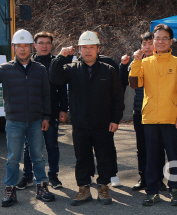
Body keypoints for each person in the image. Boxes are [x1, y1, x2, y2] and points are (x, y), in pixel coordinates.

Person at [50, 31, 124, 206]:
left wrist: (115, 119)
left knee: (104, 157)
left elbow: (117, 98)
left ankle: (104, 187)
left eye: (92, 47)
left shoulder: (109, 70)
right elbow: (54, 77)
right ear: (79, 50)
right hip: (80, 124)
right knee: (82, 158)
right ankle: (83, 189)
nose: (88, 51)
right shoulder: (71, 69)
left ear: (98, 49)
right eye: (84, 48)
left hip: (103, 124)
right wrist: (61, 56)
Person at [129, 24, 177, 206]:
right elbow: (134, 84)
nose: (161, 41)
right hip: (149, 117)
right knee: (152, 156)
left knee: (173, 155)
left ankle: (174, 189)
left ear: (171, 41)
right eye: (158, 38)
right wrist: (136, 61)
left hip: (172, 117)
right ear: (152, 41)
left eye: (165, 38)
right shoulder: (145, 62)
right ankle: (152, 190)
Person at [1, 29, 55, 207]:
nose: (22, 50)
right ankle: (10, 189)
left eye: (25, 46)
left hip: (36, 121)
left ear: (31, 47)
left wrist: (46, 116)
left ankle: (42, 186)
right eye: (19, 46)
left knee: (38, 156)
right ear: (14, 48)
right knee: (13, 158)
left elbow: (46, 95)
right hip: (14, 121)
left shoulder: (40, 69)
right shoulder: (5, 69)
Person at [16, 31, 68, 191]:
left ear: (51, 45)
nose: (44, 46)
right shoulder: (29, 63)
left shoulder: (56, 63)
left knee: (52, 146)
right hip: (31, 113)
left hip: (51, 112)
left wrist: (63, 109)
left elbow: (62, 88)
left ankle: (53, 176)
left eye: (47, 43)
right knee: (29, 147)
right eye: (41, 43)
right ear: (35, 45)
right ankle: (27, 177)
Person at [120, 32, 167, 192]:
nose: (147, 46)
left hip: (157, 111)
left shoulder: (162, 61)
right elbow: (127, 81)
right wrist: (126, 65)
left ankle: (159, 179)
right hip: (139, 110)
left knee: (159, 146)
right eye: (144, 44)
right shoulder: (137, 61)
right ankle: (144, 178)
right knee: (142, 147)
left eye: (150, 43)